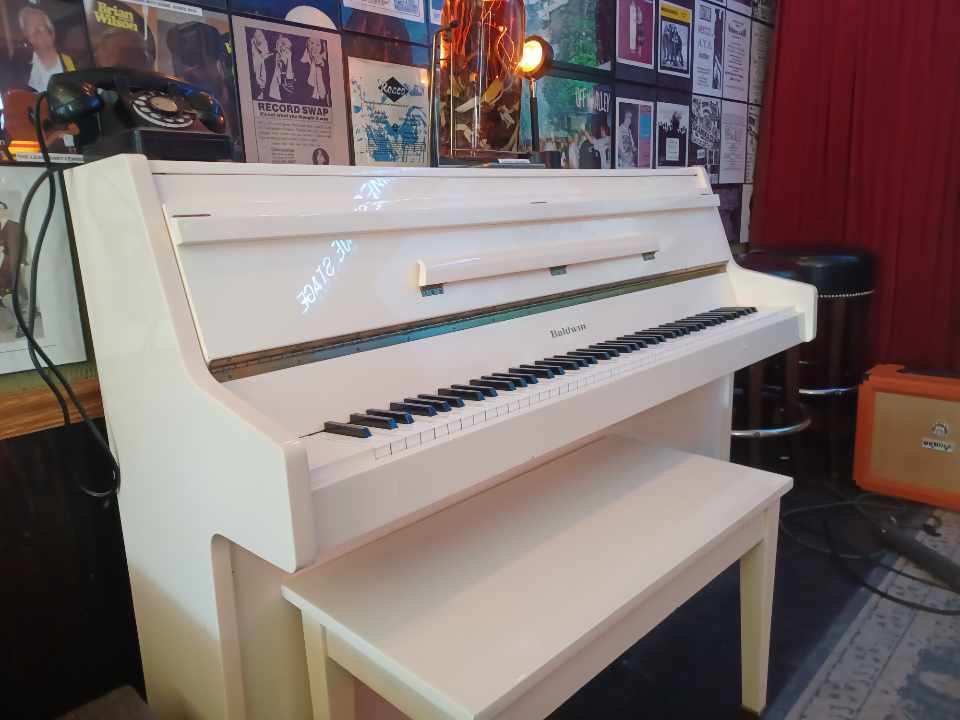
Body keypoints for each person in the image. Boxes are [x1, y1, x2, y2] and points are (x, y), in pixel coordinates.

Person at [18, 6, 76, 93]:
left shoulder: (72, 62)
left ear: (51, 32)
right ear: (26, 36)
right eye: (30, 28)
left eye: (40, 26)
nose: (36, 31)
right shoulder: (22, 69)